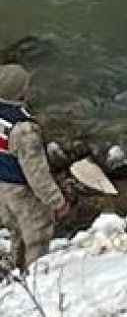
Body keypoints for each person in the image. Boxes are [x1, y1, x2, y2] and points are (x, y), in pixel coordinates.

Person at [0, 65, 69, 271]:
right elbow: (36, 174)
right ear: (20, 91)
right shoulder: (24, 129)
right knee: (37, 237)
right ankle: (34, 281)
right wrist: (57, 201)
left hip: (2, 190)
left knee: (17, 233)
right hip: (23, 193)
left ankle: (16, 270)